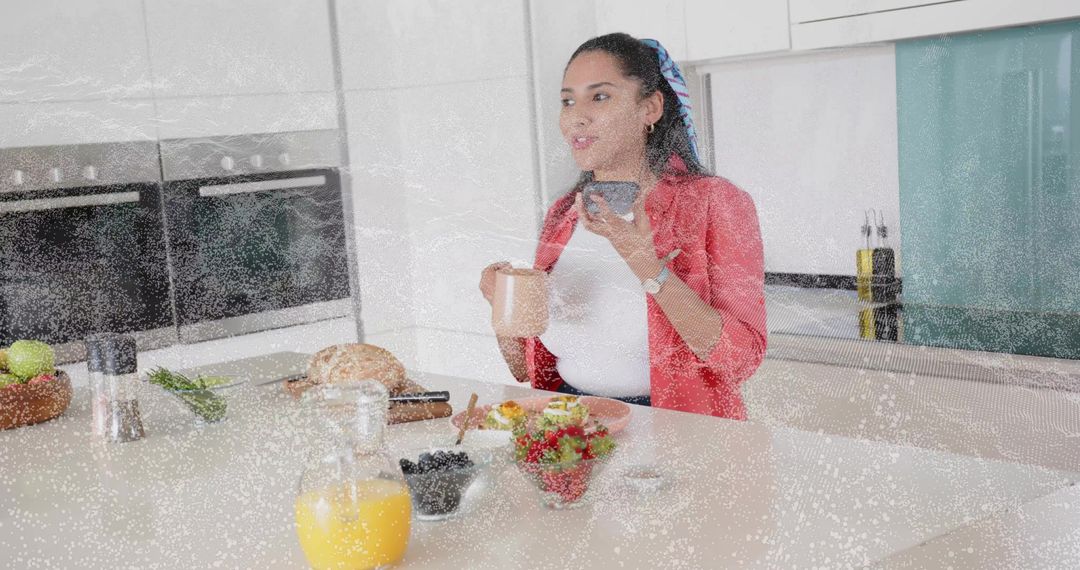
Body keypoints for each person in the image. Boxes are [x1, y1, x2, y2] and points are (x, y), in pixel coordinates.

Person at [479, 33, 766, 420]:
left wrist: (645, 263)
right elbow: (527, 370)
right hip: (569, 427)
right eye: (567, 100)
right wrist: (503, 304)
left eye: (599, 96)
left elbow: (741, 360)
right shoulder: (564, 215)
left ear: (650, 108)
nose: (576, 116)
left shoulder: (716, 203)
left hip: (675, 433)